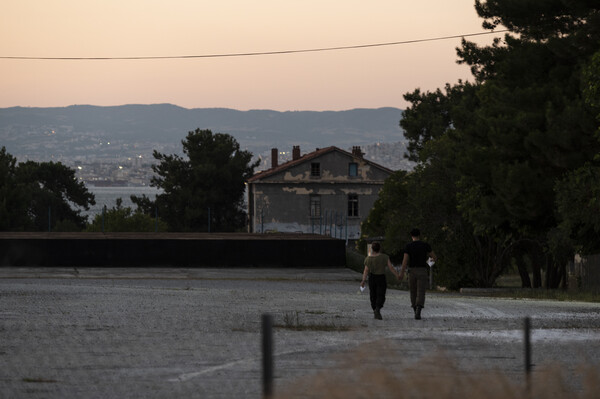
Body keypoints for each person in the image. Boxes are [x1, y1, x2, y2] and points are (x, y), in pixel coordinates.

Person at [398, 228, 437, 320]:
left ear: (411, 236)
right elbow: (434, 257)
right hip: (422, 270)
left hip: (412, 270)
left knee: (413, 291)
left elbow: (405, 261)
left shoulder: (408, 246)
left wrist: (401, 273)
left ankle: (415, 308)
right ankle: (419, 308)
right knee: (421, 291)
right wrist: (427, 263)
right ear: (419, 235)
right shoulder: (425, 245)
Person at [360, 241, 400, 320]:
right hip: (381, 277)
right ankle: (378, 308)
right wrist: (397, 275)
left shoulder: (368, 258)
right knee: (381, 294)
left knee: (373, 294)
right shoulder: (385, 257)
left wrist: (363, 280)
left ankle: (375, 309)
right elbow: (391, 267)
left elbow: (366, 270)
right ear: (380, 248)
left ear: (372, 249)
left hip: (372, 278)